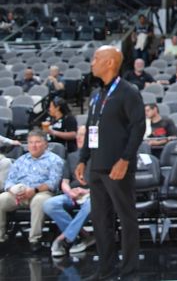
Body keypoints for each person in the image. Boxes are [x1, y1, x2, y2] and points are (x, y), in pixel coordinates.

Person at [75, 46, 146, 279]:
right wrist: (82, 158)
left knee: (126, 220)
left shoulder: (128, 92)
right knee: (100, 220)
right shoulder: (97, 95)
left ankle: (130, 272)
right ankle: (106, 270)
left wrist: (125, 159)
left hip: (118, 167)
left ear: (110, 63)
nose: (92, 61)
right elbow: (91, 130)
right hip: (96, 166)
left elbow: (138, 127)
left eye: (96, 57)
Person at [0, 129, 63, 250]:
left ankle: (34, 240)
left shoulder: (55, 160)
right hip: (19, 193)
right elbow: (9, 181)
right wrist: (13, 190)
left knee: (38, 201)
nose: (33, 145)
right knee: (1, 199)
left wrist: (33, 191)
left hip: (42, 193)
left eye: (37, 142)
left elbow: (52, 183)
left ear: (45, 144)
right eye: (30, 142)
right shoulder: (21, 160)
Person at [44, 125, 96, 257]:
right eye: (78, 134)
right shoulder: (72, 156)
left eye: (83, 135)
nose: (78, 137)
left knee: (92, 204)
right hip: (72, 194)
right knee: (49, 204)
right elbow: (64, 183)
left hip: (92, 194)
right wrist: (70, 192)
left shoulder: (99, 156)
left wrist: (87, 192)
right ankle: (84, 236)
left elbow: (104, 184)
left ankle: (63, 239)